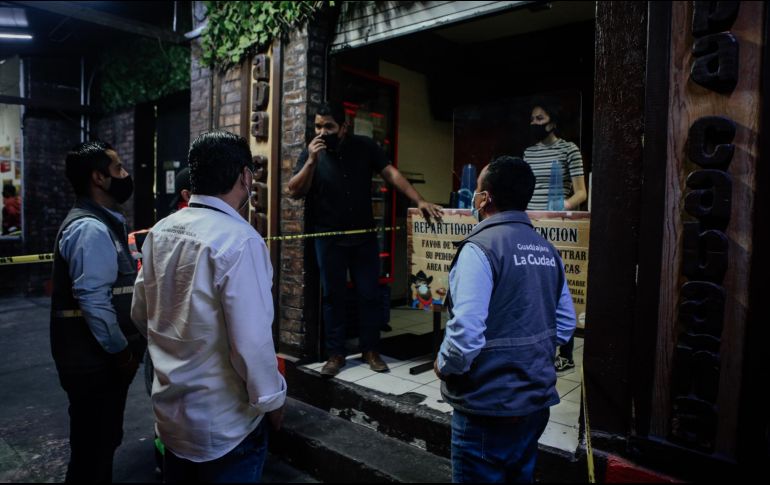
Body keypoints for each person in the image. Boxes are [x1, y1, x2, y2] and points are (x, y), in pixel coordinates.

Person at [131, 131, 286, 483]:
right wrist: (272, 403)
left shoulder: (160, 231)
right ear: (245, 177)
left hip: (170, 416)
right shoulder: (240, 240)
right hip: (224, 425)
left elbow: (141, 313)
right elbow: (251, 343)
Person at [434, 156, 576, 483]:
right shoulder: (546, 249)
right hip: (533, 405)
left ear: (485, 198)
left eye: (477, 190)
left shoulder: (480, 248)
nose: (473, 197)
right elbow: (565, 323)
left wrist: (444, 365)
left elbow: (465, 335)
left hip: (487, 409)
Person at [288, 101, 443, 377]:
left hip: (364, 238)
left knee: (369, 295)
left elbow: (390, 172)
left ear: (344, 127)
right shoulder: (311, 153)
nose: (322, 132)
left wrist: (418, 200)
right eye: (318, 126)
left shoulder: (364, 146)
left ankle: (371, 350)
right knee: (333, 297)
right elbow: (294, 190)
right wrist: (311, 160)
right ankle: (335, 354)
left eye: (329, 126)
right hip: (329, 239)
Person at [50, 140, 145, 483]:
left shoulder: (103, 223)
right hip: (94, 363)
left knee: (101, 443)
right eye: (118, 168)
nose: (125, 174)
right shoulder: (90, 228)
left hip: (96, 362)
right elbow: (93, 300)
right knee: (93, 450)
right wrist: (121, 352)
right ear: (99, 178)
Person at [524, 98, 586, 371]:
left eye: (539, 118)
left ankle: (566, 352)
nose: (534, 123)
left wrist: (560, 209)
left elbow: (582, 191)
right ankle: (536, 345)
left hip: (557, 225)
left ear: (553, 122)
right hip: (529, 225)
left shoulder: (569, 149)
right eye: (532, 119)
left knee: (559, 286)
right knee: (532, 286)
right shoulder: (528, 152)